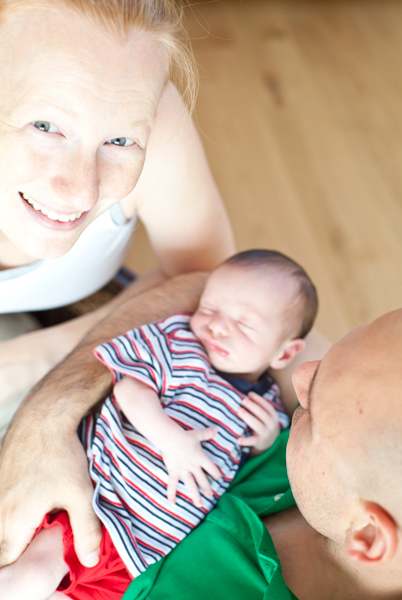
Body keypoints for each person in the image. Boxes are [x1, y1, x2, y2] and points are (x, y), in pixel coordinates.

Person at [0, 249, 318, 599]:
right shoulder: (182, 346)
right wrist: (170, 440)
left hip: (143, 551)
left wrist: (266, 440)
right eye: (209, 308)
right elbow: (130, 388)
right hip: (100, 499)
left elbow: (250, 466)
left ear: (285, 354)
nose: (215, 325)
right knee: (32, 575)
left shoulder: (267, 404)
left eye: (243, 323)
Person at [0, 0, 234, 420]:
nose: (80, 193)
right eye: (46, 126)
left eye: (120, 142)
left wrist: (39, 356)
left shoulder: (152, 118)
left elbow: (209, 281)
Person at [117, 309, 402, 600]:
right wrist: (69, 406)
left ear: (368, 535)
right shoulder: (344, 456)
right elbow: (228, 279)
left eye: (315, 414)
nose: (299, 374)